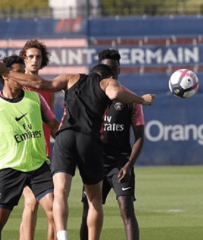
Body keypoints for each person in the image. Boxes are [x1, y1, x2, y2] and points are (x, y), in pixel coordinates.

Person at [0, 62, 155, 240]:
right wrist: (141, 99)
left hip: (64, 136)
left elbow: (42, 84)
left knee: (60, 191)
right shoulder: (107, 83)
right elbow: (115, 93)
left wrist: (6, 72)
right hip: (89, 139)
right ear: (108, 77)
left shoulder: (71, 78)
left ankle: (63, 236)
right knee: (94, 197)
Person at [80, 49, 143, 240]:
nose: (111, 73)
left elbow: (140, 137)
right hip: (95, 162)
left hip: (119, 164)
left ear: (119, 70)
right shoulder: (89, 98)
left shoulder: (130, 99)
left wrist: (128, 165)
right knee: (88, 210)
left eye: (114, 69)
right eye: (107, 69)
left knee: (126, 209)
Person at [0, 55, 59, 240]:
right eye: (18, 74)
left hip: (38, 167)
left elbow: (55, 127)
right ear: (5, 76)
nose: (22, 78)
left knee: (56, 214)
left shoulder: (36, 98)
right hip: (9, 168)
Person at [19, 39, 58, 240]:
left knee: (52, 208)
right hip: (20, 156)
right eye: (30, 57)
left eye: (38, 57)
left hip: (43, 155)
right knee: (31, 202)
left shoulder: (48, 89)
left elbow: (50, 124)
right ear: (23, 60)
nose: (34, 61)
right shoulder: (15, 86)